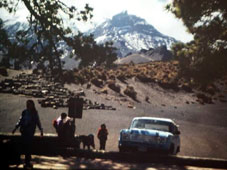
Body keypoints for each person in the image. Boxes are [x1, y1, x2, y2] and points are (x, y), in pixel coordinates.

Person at [12, 100, 43, 168]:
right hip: (24, 131)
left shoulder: (34, 113)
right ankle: (24, 161)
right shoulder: (24, 112)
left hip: (30, 132)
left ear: (32, 105)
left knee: (28, 147)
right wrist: (15, 128)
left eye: (29, 104)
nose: (28, 105)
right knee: (24, 146)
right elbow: (20, 121)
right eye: (27, 104)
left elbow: (38, 121)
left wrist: (41, 130)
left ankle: (27, 162)